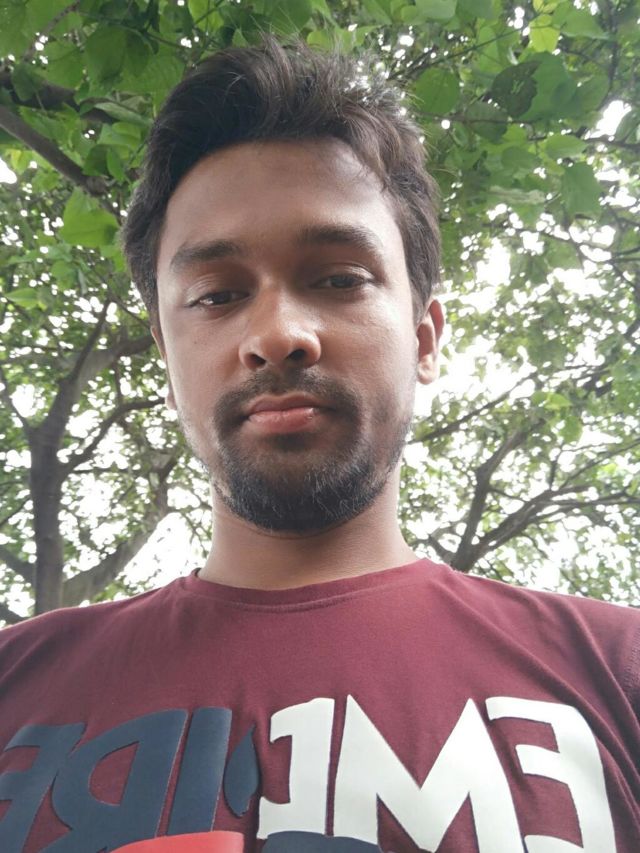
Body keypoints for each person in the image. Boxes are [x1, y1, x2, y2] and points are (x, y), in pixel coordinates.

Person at [0, 37, 638, 853]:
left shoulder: (618, 672)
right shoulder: (15, 685)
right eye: (217, 294)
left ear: (425, 336)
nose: (277, 333)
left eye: (338, 278)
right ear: (166, 356)